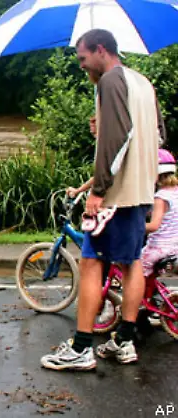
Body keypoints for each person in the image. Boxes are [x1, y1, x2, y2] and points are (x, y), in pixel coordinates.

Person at [41, 29, 161, 371]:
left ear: (101, 50)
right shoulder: (143, 82)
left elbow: (120, 137)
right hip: (141, 192)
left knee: (92, 263)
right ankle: (124, 341)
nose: (81, 66)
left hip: (116, 195)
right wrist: (105, 125)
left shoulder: (109, 81)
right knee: (131, 263)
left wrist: (98, 190)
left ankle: (81, 347)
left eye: (82, 58)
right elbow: (156, 135)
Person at [141, 149, 178, 278]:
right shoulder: (175, 192)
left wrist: (131, 228)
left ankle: (137, 297)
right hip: (174, 246)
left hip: (159, 248)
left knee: (133, 271)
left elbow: (154, 226)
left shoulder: (161, 197)